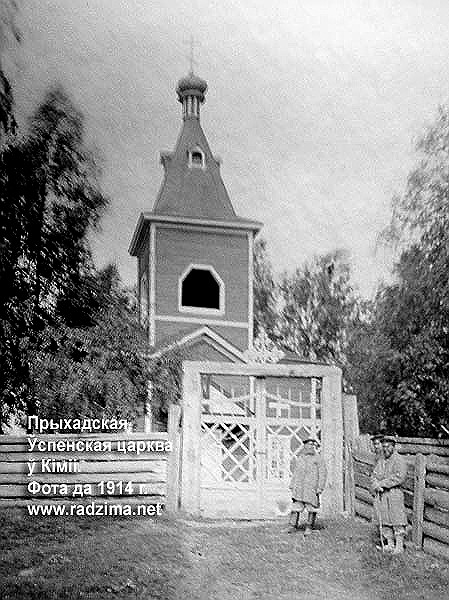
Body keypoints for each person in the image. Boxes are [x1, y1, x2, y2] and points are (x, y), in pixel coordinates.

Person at [371, 435, 407, 554]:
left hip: (394, 493)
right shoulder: (381, 461)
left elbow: (399, 477)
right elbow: (375, 474)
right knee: (385, 519)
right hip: (382, 494)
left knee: (397, 519)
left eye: (388, 447)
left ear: (393, 447)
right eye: (384, 446)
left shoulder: (399, 460)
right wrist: (375, 483)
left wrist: (382, 483)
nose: (385, 449)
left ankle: (399, 546)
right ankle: (390, 544)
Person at [289, 438, 327, 536]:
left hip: (311, 488)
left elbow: (323, 474)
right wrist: (292, 484)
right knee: (296, 507)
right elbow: (296, 473)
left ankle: (309, 527)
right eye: (307, 446)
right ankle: (292, 526)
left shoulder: (318, 459)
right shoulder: (300, 458)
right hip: (299, 488)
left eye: (311, 446)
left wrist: (320, 488)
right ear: (304, 447)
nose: (309, 448)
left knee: (311, 508)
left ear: (314, 447)